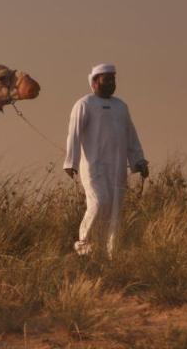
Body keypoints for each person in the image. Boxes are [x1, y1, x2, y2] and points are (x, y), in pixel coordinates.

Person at [63, 62, 148, 257]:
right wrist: (71, 163)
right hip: (93, 167)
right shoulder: (84, 104)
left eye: (113, 79)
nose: (110, 83)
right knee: (100, 202)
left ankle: (112, 254)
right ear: (94, 82)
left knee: (115, 210)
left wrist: (139, 161)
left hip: (117, 167)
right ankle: (83, 245)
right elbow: (73, 135)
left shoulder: (121, 106)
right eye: (106, 79)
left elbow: (131, 135)